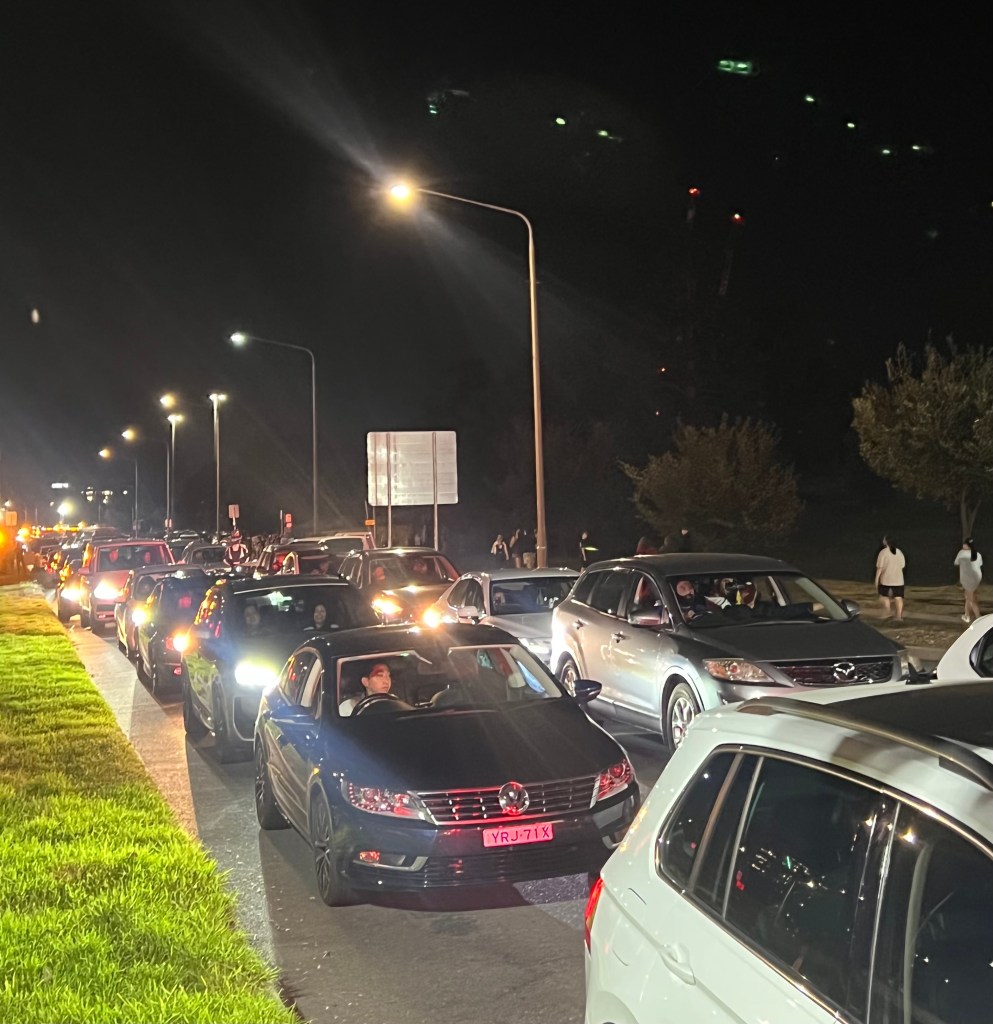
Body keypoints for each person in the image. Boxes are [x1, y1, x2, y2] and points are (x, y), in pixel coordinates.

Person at [875, 535, 906, 622]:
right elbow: (902, 565)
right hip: (899, 580)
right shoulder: (899, 552)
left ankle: (888, 612)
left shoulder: (883, 552)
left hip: (886, 580)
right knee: (898, 597)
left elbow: (879, 568)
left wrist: (876, 580)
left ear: (886, 542)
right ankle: (899, 616)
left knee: (884, 596)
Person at [954, 537, 983, 623]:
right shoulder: (978, 554)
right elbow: (979, 564)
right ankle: (967, 615)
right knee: (968, 597)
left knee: (971, 600)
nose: (963, 545)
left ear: (967, 545)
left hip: (968, 580)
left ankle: (979, 619)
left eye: (964, 544)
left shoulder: (961, 553)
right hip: (977, 578)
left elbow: (956, 562)